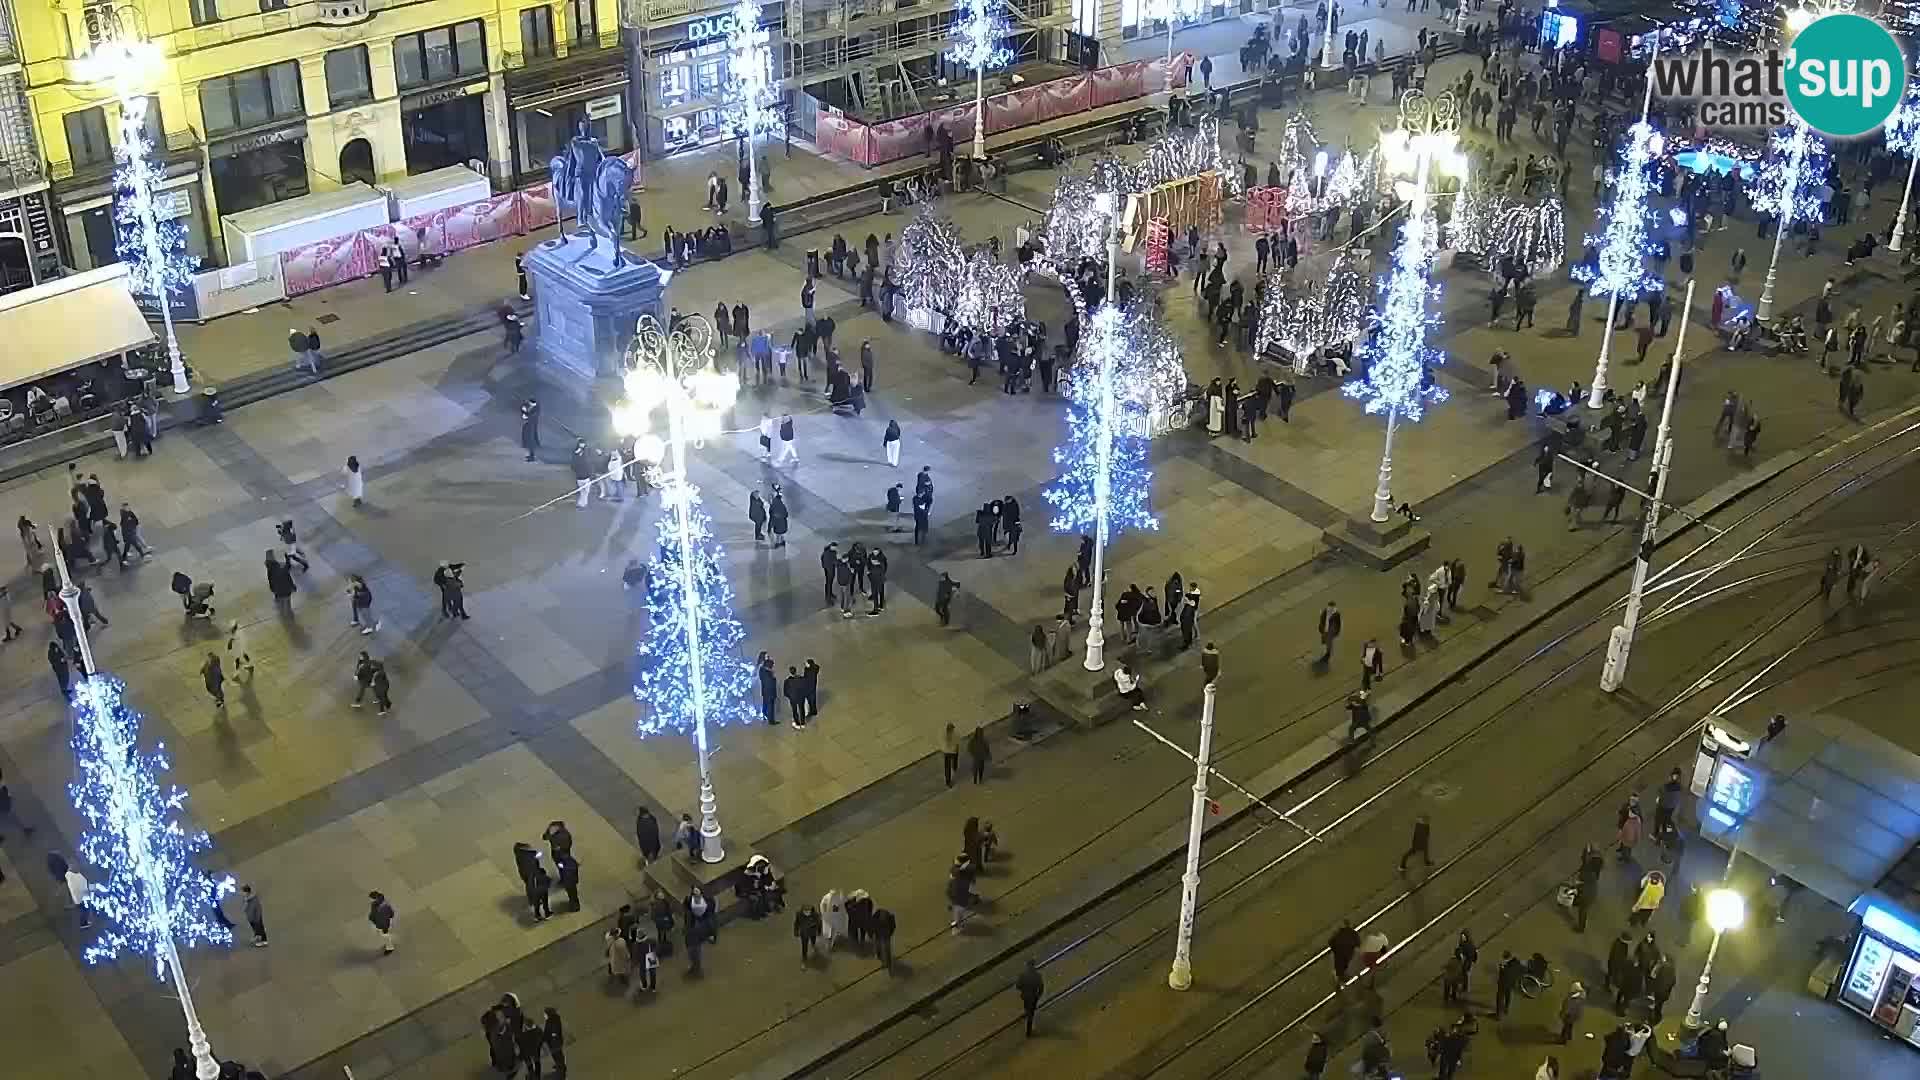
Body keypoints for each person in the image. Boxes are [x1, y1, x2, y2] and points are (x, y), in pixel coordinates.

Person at [1015, 959, 1044, 1036]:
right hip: (1034, 996)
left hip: (1025, 996)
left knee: (1028, 1010)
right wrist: (1038, 995)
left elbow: (1018, 986)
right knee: (1031, 1012)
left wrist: (1023, 989)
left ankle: (1028, 1025)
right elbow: (1041, 987)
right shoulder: (1037, 975)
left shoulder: (1022, 975)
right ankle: (1029, 1028)